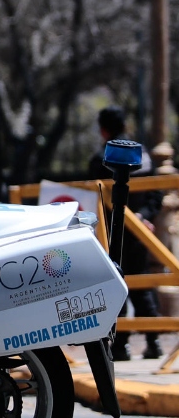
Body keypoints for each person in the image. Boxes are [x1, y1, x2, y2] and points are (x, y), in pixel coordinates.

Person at [88, 106, 164, 360]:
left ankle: (120, 346)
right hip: (142, 232)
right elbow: (156, 195)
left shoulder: (102, 159)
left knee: (115, 284)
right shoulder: (143, 156)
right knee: (141, 285)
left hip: (112, 234)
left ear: (103, 128)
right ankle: (154, 342)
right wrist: (144, 216)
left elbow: (93, 195)